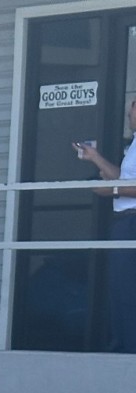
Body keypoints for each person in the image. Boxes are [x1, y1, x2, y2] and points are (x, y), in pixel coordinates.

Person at [74, 98, 136, 354]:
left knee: (128, 290)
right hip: (124, 222)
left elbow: (127, 187)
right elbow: (123, 178)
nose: (131, 112)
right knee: (119, 289)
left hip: (132, 221)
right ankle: (122, 346)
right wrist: (95, 158)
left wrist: (109, 189)